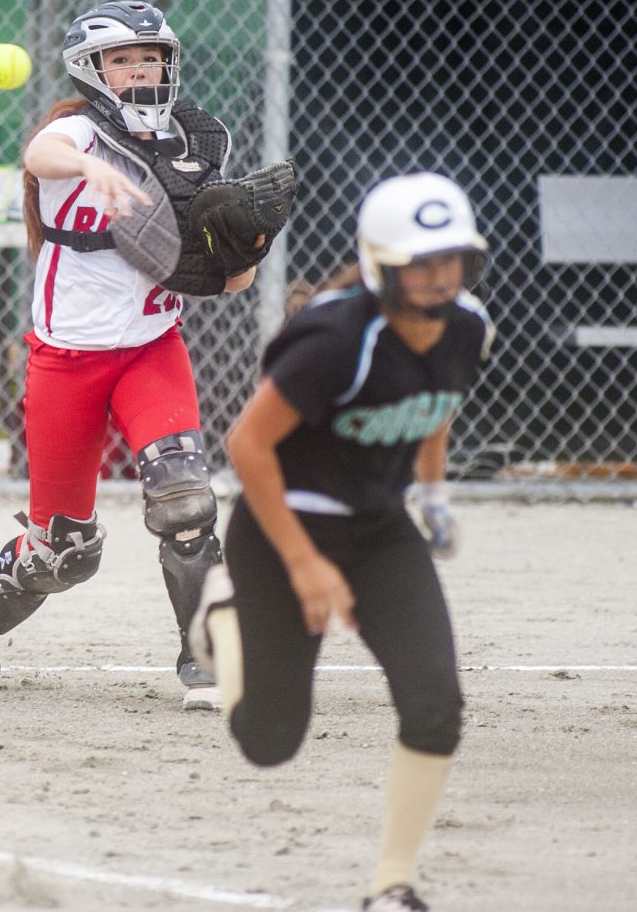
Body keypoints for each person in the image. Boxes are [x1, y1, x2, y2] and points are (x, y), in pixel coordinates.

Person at [0, 0, 266, 710]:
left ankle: (206, 659)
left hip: (151, 350)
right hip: (67, 363)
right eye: (122, 59)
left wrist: (245, 253)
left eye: (150, 56)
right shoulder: (75, 133)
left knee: (185, 500)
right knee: (65, 552)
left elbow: (228, 283)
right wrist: (92, 171)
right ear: (94, 71)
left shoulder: (198, 142)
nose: (141, 67)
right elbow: (40, 153)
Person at [190, 173, 494, 910]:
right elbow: (247, 444)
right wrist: (305, 565)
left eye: (451, 260)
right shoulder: (335, 338)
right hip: (282, 525)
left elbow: (435, 400)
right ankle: (221, 615)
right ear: (381, 264)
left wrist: (435, 493)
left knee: (435, 702)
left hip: (381, 526)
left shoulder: (467, 324)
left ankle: (392, 884)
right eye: (421, 263)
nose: (439, 278)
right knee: (268, 739)